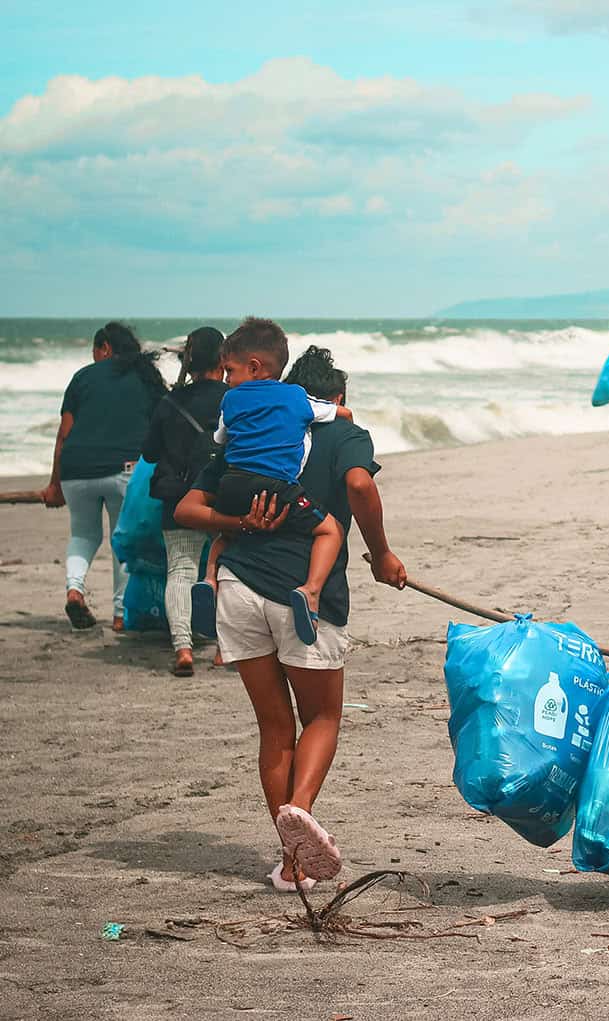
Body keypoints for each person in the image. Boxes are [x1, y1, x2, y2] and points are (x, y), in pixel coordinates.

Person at [175, 344, 406, 891]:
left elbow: (187, 508)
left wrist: (242, 524)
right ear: (337, 396)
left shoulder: (248, 438)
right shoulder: (346, 434)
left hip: (238, 586)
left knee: (275, 728)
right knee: (322, 717)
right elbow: (359, 484)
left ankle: (291, 863)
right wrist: (381, 553)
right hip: (305, 599)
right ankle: (299, 812)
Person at [191, 318, 352, 647]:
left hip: (231, 484)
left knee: (226, 535)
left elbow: (220, 438)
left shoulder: (230, 400)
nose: (227, 379)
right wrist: (347, 422)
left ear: (253, 367)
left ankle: (209, 579)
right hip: (276, 487)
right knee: (330, 530)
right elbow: (337, 413)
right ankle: (311, 592)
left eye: (229, 370)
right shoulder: (295, 396)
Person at [41, 322, 167, 631]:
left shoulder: (82, 377)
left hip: (76, 470)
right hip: (124, 470)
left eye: (94, 351)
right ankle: (121, 615)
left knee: (83, 536)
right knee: (121, 539)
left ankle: (75, 589)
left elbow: (64, 434)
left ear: (105, 348)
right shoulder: (146, 378)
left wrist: (55, 484)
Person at [141, 326, 228, 676]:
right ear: (223, 359)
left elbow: (149, 453)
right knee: (228, 569)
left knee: (180, 569)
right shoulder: (233, 398)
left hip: (178, 495)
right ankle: (224, 649)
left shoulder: (171, 402)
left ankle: (183, 649)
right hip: (224, 494)